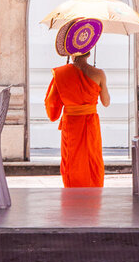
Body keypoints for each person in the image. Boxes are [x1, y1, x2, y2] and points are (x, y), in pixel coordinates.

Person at [44, 19, 110, 188]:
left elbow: (52, 104)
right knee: (92, 157)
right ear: (89, 52)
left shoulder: (61, 74)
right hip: (90, 121)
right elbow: (106, 102)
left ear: (71, 52)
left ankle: (72, 190)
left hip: (71, 123)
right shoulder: (99, 74)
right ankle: (94, 189)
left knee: (72, 158)